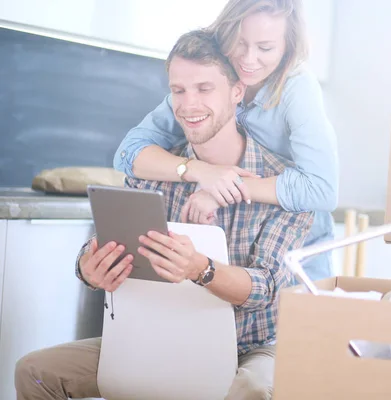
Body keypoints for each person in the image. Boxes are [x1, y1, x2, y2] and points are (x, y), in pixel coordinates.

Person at [14, 29, 314, 400]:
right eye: (178, 90)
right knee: (37, 372)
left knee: (251, 390)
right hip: (156, 337)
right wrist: (89, 267)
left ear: (237, 93)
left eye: (204, 89)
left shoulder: (285, 185)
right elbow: (104, 244)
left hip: (247, 348)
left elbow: (265, 289)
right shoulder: (156, 170)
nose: (188, 105)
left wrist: (200, 269)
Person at [113, 0, 338, 281]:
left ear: (287, 49)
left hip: (300, 242)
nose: (248, 58)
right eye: (240, 43)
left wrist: (222, 189)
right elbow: (127, 154)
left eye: (265, 48)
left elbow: (322, 189)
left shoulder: (298, 89)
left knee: (297, 319)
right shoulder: (203, 82)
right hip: (236, 237)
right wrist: (201, 171)